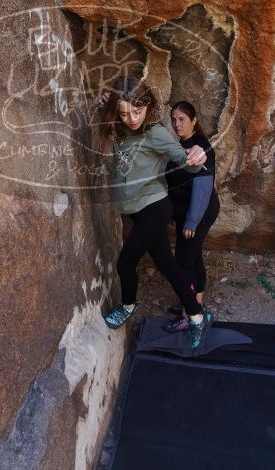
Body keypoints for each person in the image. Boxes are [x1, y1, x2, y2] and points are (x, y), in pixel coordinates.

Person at [99, 78, 213, 349]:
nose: (131, 118)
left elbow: (183, 156)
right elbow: (108, 116)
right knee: (168, 266)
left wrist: (197, 155)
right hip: (136, 211)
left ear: (147, 106)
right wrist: (103, 103)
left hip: (155, 208)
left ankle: (127, 307)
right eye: (124, 112)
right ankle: (197, 317)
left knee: (125, 263)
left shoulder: (155, 132)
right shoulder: (119, 126)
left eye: (137, 111)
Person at [163, 101, 221, 332]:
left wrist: (191, 221)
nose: (177, 124)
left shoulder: (200, 148)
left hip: (199, 212)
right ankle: (194, 304)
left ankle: (190, 316)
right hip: (190, 212)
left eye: (182, 120)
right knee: (193, 257)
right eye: (174, 119)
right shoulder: (185, 144)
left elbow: (203, 186)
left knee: (183, 263)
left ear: (194, 120)